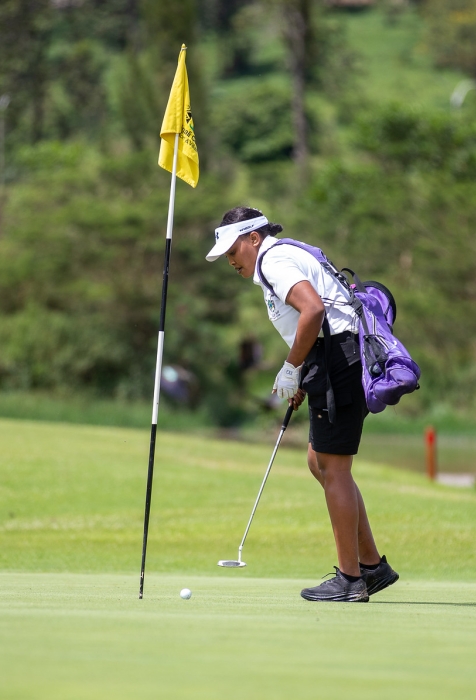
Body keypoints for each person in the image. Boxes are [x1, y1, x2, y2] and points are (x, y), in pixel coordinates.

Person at [206, 206, 399, 603]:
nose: (230, 259)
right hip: (333, 358)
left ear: (253, 239)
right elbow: (314, 319)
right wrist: (304, 374)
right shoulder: (279, 258)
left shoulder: (274, 260)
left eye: (232, 249)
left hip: (340, 356)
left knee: (333, 466)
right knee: (320, 461)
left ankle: (351, 579)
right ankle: (371, 566)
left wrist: (292, 366)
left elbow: (314, 309)